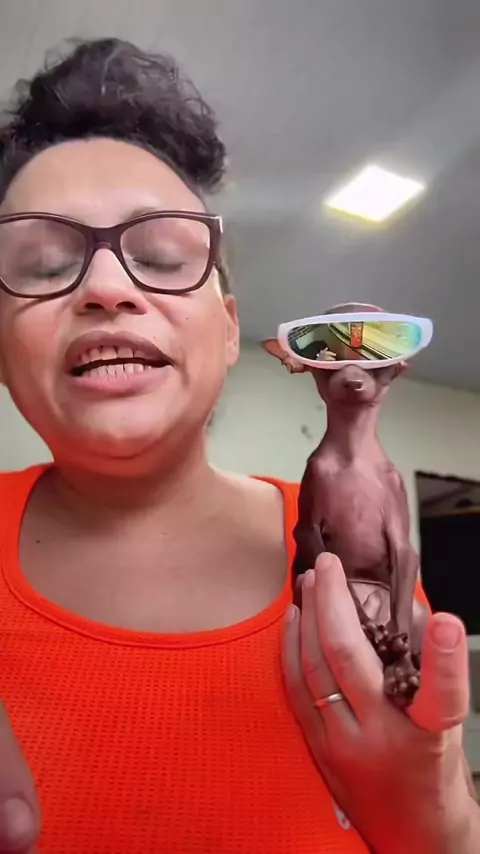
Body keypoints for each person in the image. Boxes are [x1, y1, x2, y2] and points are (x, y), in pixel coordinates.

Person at [0, 37, 477, 854]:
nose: (107, 289)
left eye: (162, 258)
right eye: (43, 266)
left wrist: (432, 822)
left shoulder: (348, 555)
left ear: (229, 331)